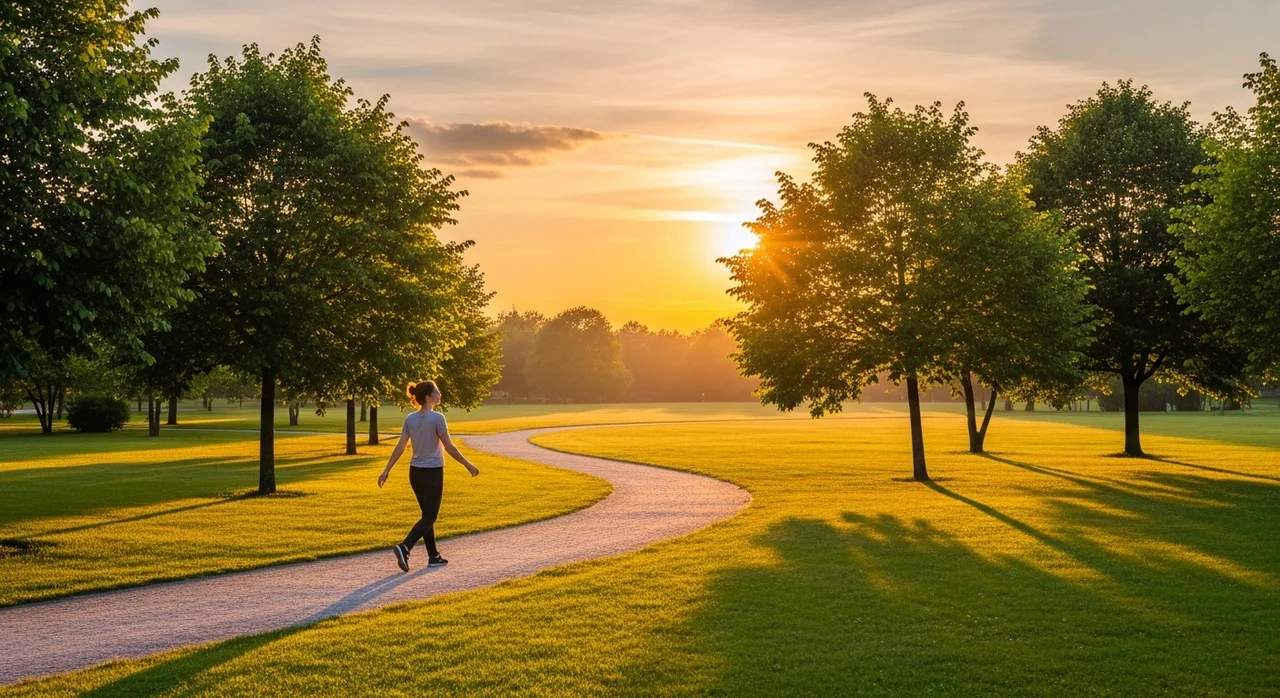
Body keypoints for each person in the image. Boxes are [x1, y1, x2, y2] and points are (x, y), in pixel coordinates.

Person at [378, 380, 479, 571]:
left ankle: (433, 556)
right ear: (427, 397)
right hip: (432, 472)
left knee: (426, 516)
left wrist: (386, 471)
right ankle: (405, 547)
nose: (440, 394)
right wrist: (468, 465)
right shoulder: (437, 418)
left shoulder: (410, 419)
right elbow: (449, 446)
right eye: (437, 392)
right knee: (430, 517)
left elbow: (400, 446)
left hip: (415, 473)